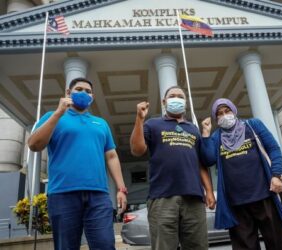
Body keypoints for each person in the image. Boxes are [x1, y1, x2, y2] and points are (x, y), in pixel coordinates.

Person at [28, 77, 127, 250]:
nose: (84, 93)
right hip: (62, 194)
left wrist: (121, 188)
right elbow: (34, 144)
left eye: (88, 91)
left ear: (92, 97)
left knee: (105, 244)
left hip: (98, 196)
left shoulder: (101, 123)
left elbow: (111, 156)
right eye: (79, 89)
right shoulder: (52, 116)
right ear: (68, 93)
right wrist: (58, 113)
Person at [130, 86, 216, 250]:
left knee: (198, 246)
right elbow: (137, 150)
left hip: (194, 199)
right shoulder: (153, 124)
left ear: (185, 102)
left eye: (180, 96)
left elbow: (200, 163)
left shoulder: (193, 129)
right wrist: (139, 120)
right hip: (162, 197)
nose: (176, 98)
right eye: (172, 96)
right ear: (164, 102)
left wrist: (209, 191)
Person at [200, 98, 282, 250]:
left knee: (278, 243)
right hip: (236, 204)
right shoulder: (216, 137)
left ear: (234, 111)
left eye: (227, 111)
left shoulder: (253, 125)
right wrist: (205, 133)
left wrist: (276, 175)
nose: (224, 115)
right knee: (244, 247)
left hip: (264, 195)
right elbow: (208, 159)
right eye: (220, 114)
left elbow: (274, 149)